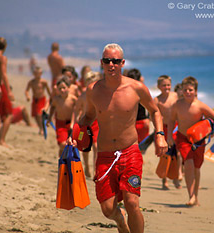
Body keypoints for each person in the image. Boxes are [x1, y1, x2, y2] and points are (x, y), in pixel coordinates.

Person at [69, 43, 167, 233]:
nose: (111, 64)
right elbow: (87, 117)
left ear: (122, 63)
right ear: (101, 63)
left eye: (115, 61)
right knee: (107, 209)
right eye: (107, 61)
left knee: (132, 202)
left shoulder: (136, 88)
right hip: (105, 156)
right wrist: (75, 135)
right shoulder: (93, 90)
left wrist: (160, 135)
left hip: (130, 152)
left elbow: (155, 111)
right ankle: (120, 221)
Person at [167, 76, 214, 206]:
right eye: (185, 90)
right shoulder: (177, 105)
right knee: (189, 164)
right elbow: (171, 120)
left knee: (196, 168)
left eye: (190, 90)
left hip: (198, 141)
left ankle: (195, 196)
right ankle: (191, 196)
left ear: (196, 91)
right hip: (183, 138)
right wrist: (169, 136)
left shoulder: (200, 106)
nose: (187, 92)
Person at [154, 75, 181, 190]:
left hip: (176, 127)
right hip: (163, 129)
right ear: (159, 86)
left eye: (168, 85)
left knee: (177, 152)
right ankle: (164, 181)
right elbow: (154, 117)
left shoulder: (175, 96)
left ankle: (176, 176)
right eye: (164, 85)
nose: (166, 87)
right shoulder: (157, 100)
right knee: (165, 154)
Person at [75, 71, 101, 178]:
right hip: (85, 123)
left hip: (97, 122)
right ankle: (86, 166)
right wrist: (75, 123)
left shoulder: (100, 95)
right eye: (88, 81)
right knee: (85, 147)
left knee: (96, 146)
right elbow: (77, 111)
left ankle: (96, 170)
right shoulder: (82, 97)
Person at [48, 76, 77, 157]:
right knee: (62, 144)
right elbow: (52, 107)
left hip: (70, 124)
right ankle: (62, 158)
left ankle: (64, 162)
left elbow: (77, 111)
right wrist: (49, 118)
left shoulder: (73, 99)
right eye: (60, 88)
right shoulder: (56, 99)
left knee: (71, 144)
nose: (62, 90)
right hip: (60, 124)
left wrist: (73, 122)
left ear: (69, 88)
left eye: (64, 88)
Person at [25, 66, 51, 134]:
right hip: (35, 99)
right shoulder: (31, 82)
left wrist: (51, 97)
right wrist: (28, 96)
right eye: (36, 73)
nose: (37, 75)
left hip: (42, 99)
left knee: (39, 114)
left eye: (39, 73)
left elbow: (49, 91)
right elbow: (27, 90)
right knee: (35, 115)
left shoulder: (43, 82)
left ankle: (42, 129)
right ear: (34, 73)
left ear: (41, 73)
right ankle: (40, 128)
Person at [127, 68, 150, 143]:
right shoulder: (142, 90)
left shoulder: (126, 91)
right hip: (141, 122)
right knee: (140, 148)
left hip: (131, 122)